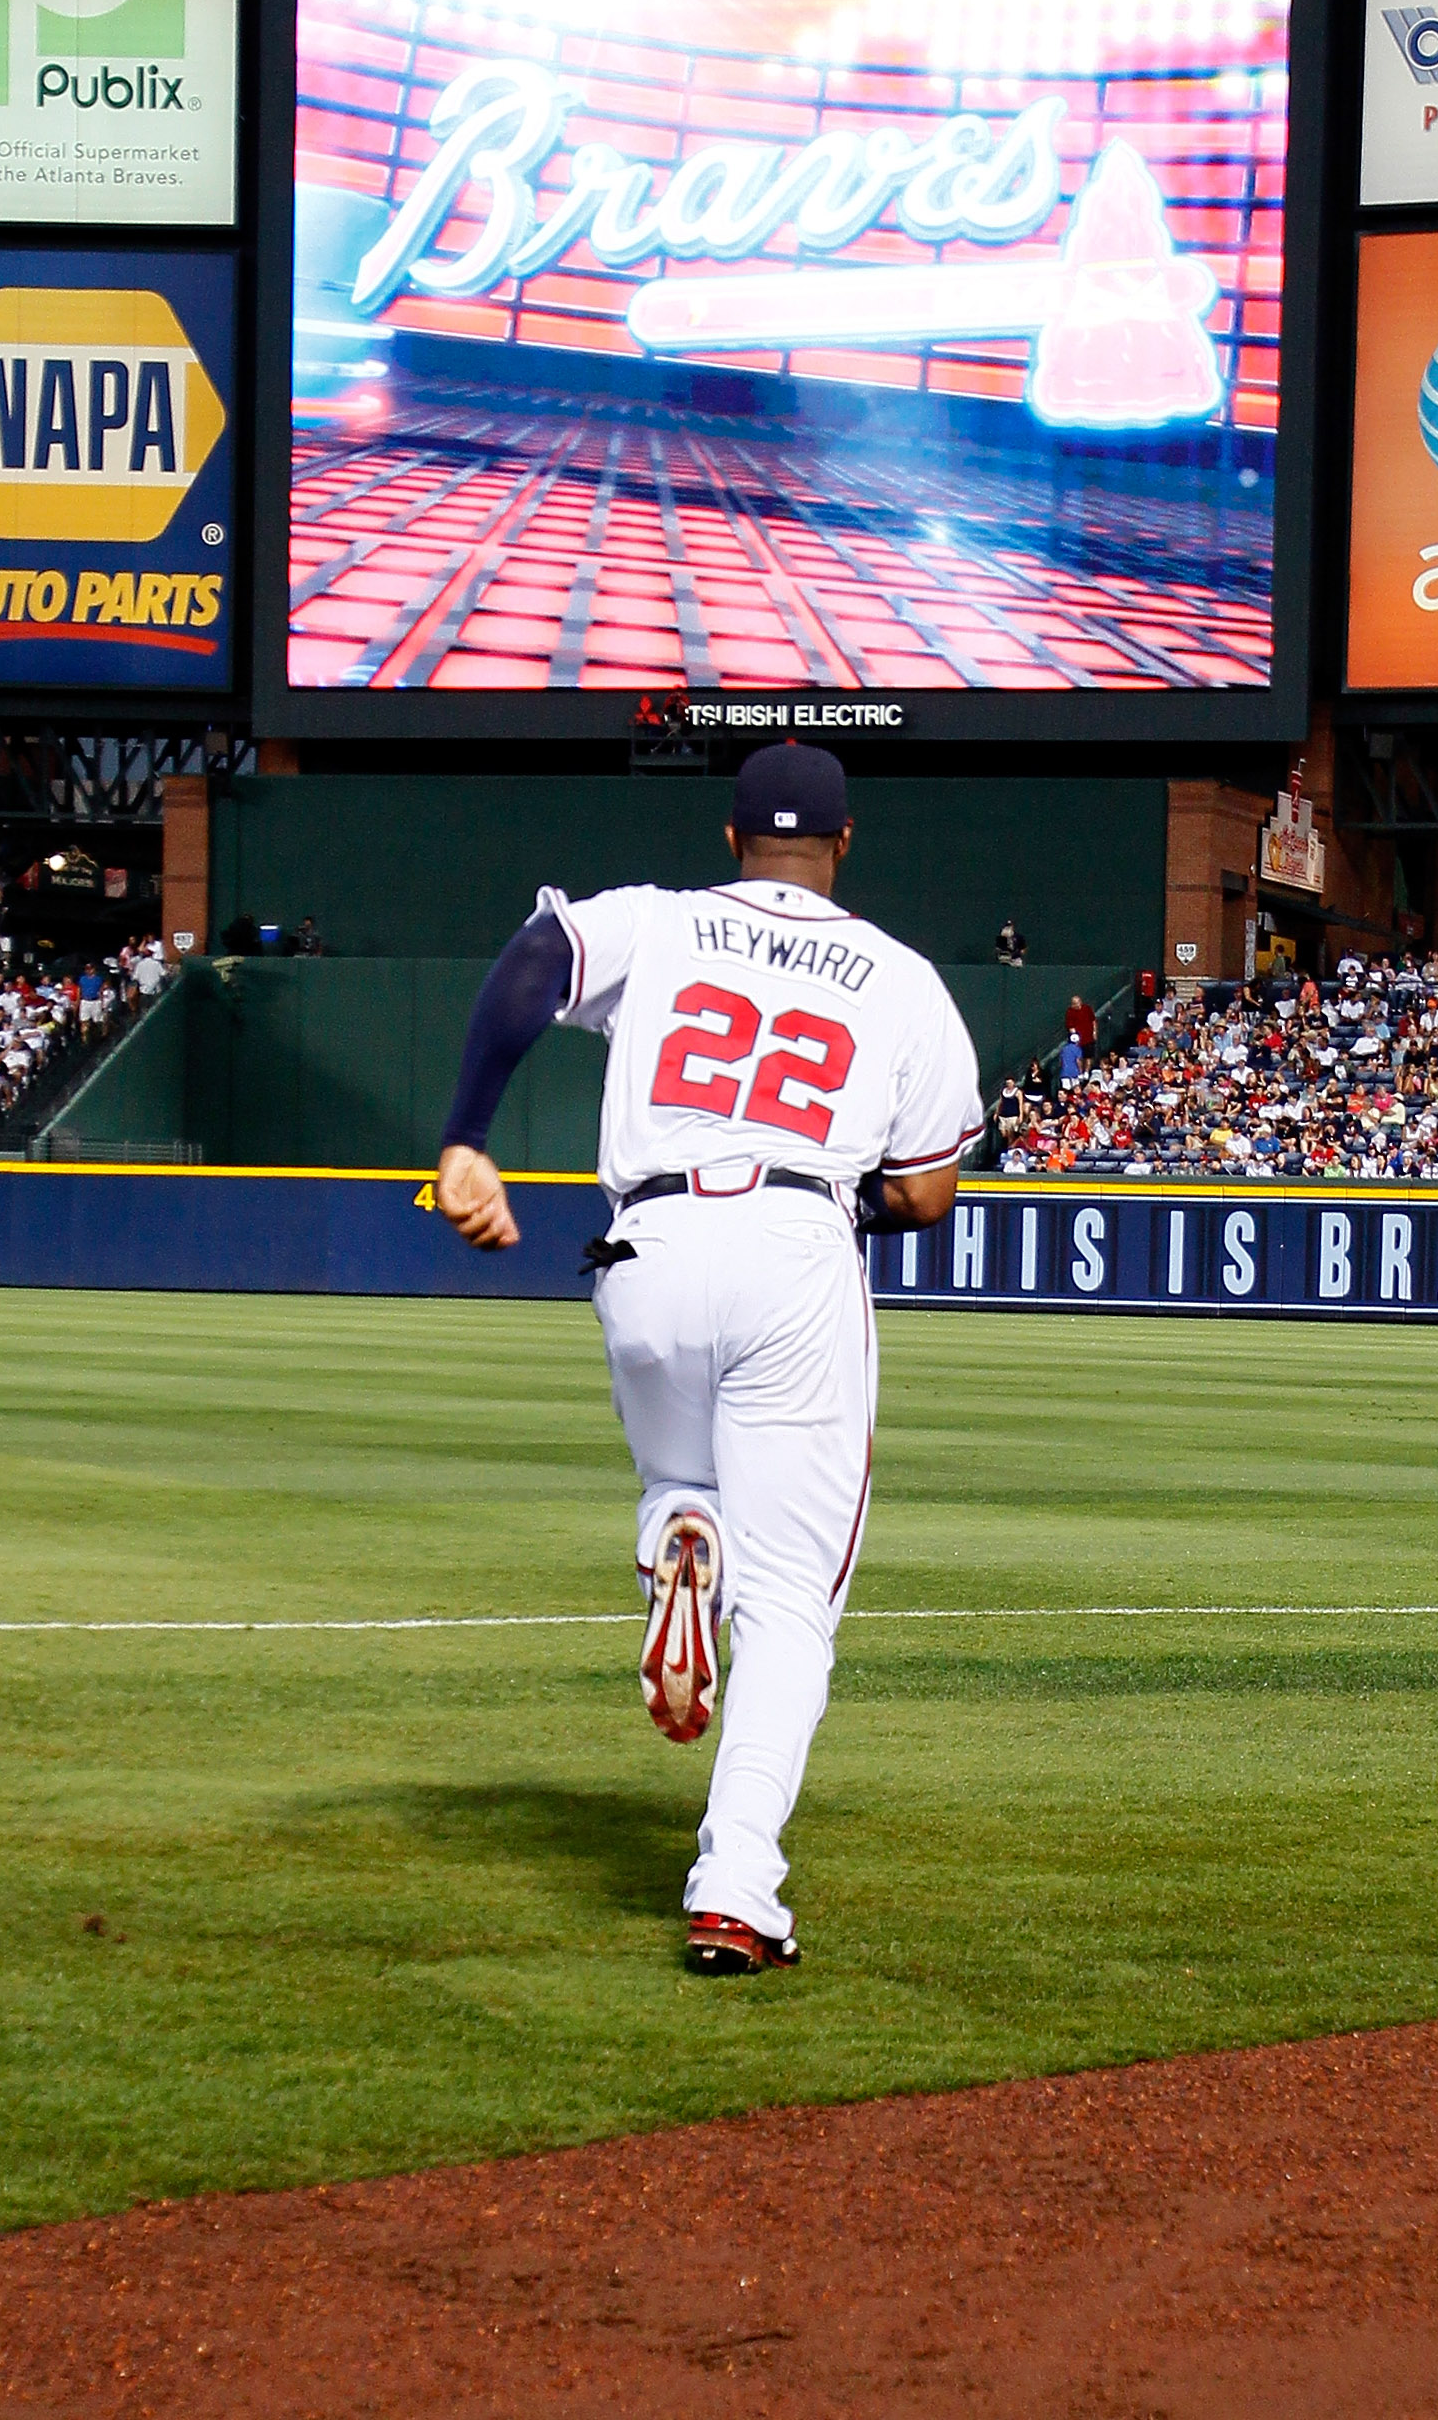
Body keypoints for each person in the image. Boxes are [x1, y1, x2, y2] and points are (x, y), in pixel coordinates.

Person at [432, 745, 981, 1977]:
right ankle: (735, 1887)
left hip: (649, 1236)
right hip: (795, 1236)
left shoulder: (661, 923)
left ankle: (677, 1534)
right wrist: (842, 1206)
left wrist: (467, 1138)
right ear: (843, 847)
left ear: (731, 841)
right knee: (790, 1610)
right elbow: (927, 1190)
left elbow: (535, 961)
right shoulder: (901, 977)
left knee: (679, 1472)